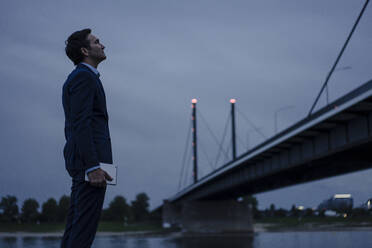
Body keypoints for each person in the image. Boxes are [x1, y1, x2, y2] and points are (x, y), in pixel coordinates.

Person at [61, 28, 113, 248]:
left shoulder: (80, 78)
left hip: (83, 162)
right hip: (88, 165)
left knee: (76, 227)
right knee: (83, 233)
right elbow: (81, 124)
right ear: (85, 50)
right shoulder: (84, 77)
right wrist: (93, 166)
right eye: (97, 42)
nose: (102, 45)